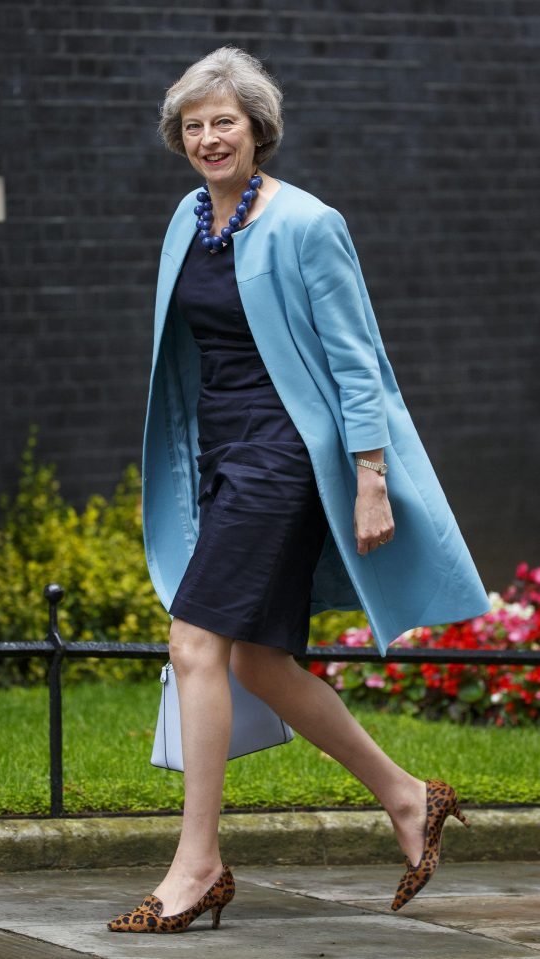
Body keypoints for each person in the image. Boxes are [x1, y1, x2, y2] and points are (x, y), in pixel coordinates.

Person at [107, 47, 490, 935]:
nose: (208, 138)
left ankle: (197, 864)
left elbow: (361, 366)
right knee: (256, 660)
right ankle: (406, 795)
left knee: (194, 641)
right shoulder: (188, 219)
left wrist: (369, 479)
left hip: (282, 458)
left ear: (257, 129)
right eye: (194, 125)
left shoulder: (309, 224)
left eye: (224, 122)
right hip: (222, 452)